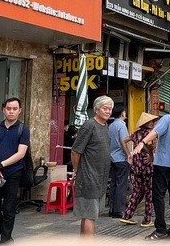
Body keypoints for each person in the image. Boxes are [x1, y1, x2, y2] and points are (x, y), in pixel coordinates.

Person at [132, 97, 170, 240]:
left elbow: (155, 132)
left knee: (158, 195)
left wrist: (142, 142)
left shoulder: (167, 119)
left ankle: (160, 229)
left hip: (162, 164)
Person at [0, 97, 30, 244]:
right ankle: (6, 234)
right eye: (8, 108)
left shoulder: (23, 129)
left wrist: (0, 165)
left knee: (9, 209)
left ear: (19, 110)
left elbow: (21, 153)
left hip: (13, 174)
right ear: (3, 110)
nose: (11, 111)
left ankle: (4, 241)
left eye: (14, 109)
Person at [71, 95, 114, 236]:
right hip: (89, 178)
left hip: (101, 179)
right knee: (90, 215)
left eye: (110, 109)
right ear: (96, 109)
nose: (108, 111)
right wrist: (77, 170)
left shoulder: (105, 126)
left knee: (89, 215)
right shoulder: (89, 125)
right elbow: (76, 151)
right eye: (104, 108)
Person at [120, 112, 159, 227]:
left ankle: (127, 215)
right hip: (147, 167)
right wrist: (151, 154)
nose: (152, 123)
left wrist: (129, 154)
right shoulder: (151, 134)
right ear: (146, 123)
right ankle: (147, 219)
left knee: (137, 191)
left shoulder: (136, 134)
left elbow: (123, 141)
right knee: (149, 193)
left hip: (137, 166)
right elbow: (151, 145)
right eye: (150, 121)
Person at [108, 106, 130, 219]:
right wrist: (128, 155)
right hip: (121, 158)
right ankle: (119, 210)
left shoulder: (110, 126)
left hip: (112, 158)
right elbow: (123, 142)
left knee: (114, 184)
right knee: (121, 185)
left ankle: (112, 208)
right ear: (123, 114)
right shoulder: (121, 126)